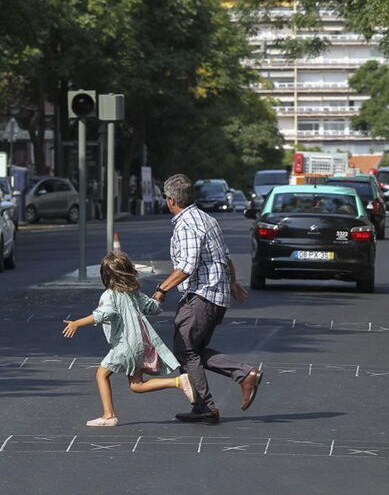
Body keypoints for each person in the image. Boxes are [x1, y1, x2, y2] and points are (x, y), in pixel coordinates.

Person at [153, 173, 262, 424]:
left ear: (171, 200)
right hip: (216, 295)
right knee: (193, 350)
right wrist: (232, 283)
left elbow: (186, 266)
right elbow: (225, 257)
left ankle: (227, 388)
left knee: (185, 350)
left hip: (201, 295)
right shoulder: (207, 219)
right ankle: (226, 390)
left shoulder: (187, 224)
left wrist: (161, 290)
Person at [62, 252, 194, 427]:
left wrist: (77, 323)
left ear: (105, 275)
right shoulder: (133, 292)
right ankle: (178, 382)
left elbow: (106, 313)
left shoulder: (109, 295)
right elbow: (152, 307)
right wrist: (160, 296)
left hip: (126, 345)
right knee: (136, 385)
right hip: (142, 342)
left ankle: (109, 415)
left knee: (101, 374)